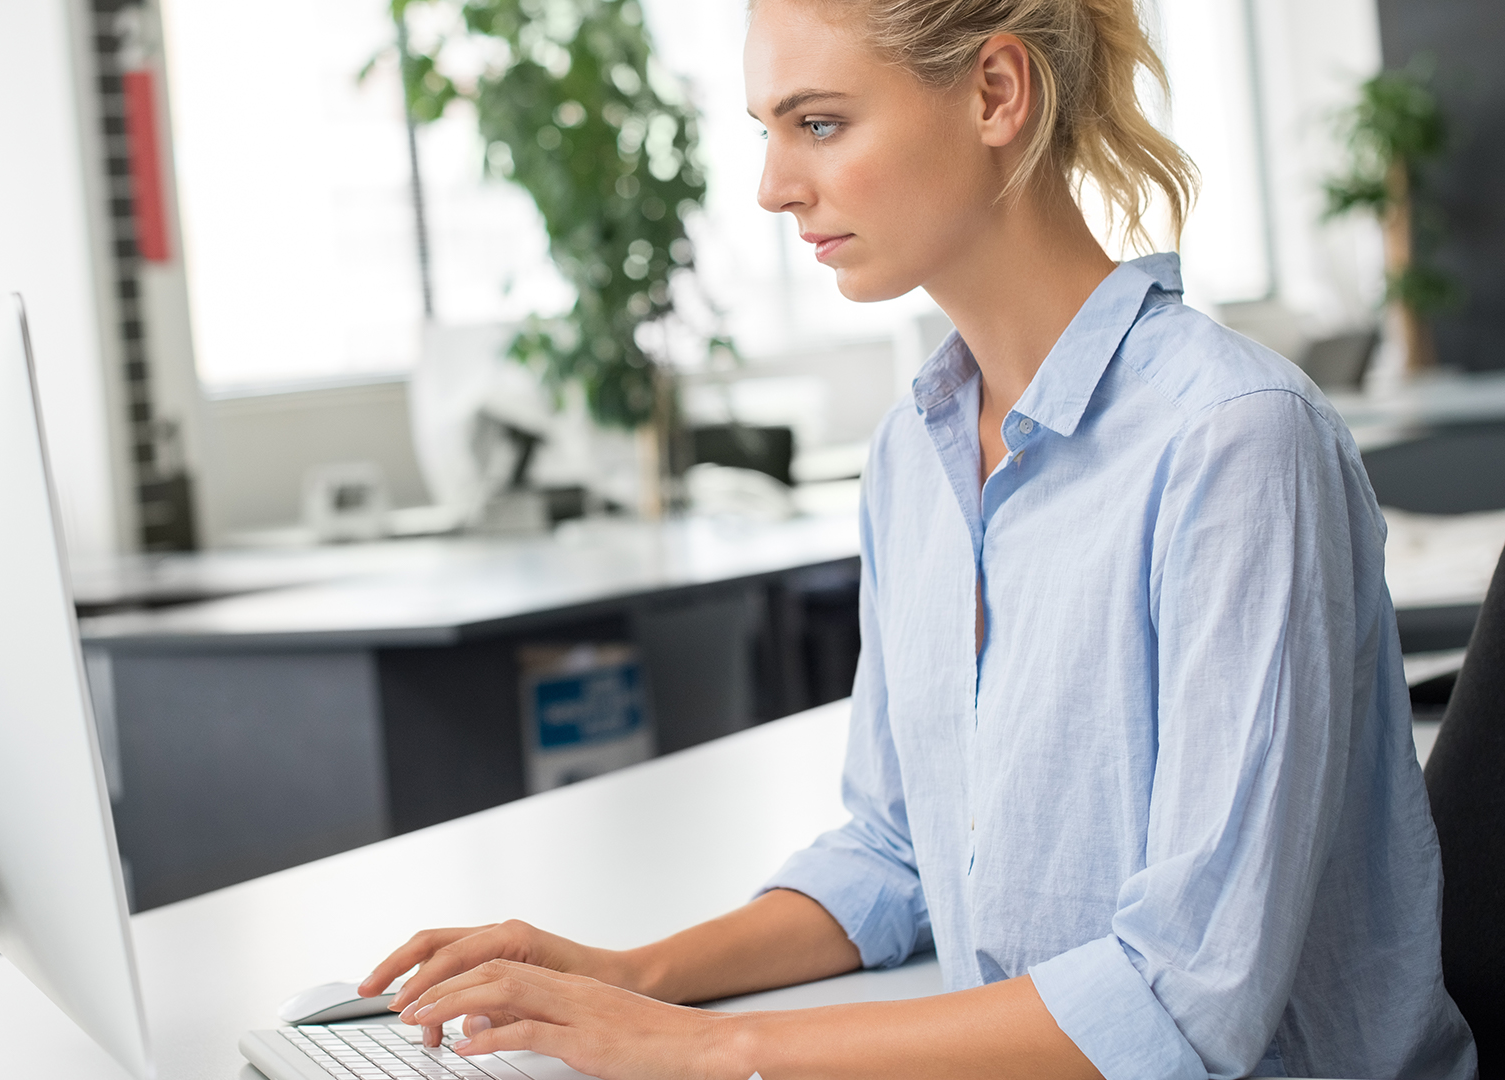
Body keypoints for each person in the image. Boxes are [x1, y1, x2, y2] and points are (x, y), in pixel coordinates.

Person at [354, 2, 1478, 1078]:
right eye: (768, 131)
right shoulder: (913, 455)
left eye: (821, 122)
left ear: (996, 91)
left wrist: (704, 1052)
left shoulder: (1234, 443)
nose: (774, 186)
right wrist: (628, 977)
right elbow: (892, 860)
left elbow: (1183, 1000)